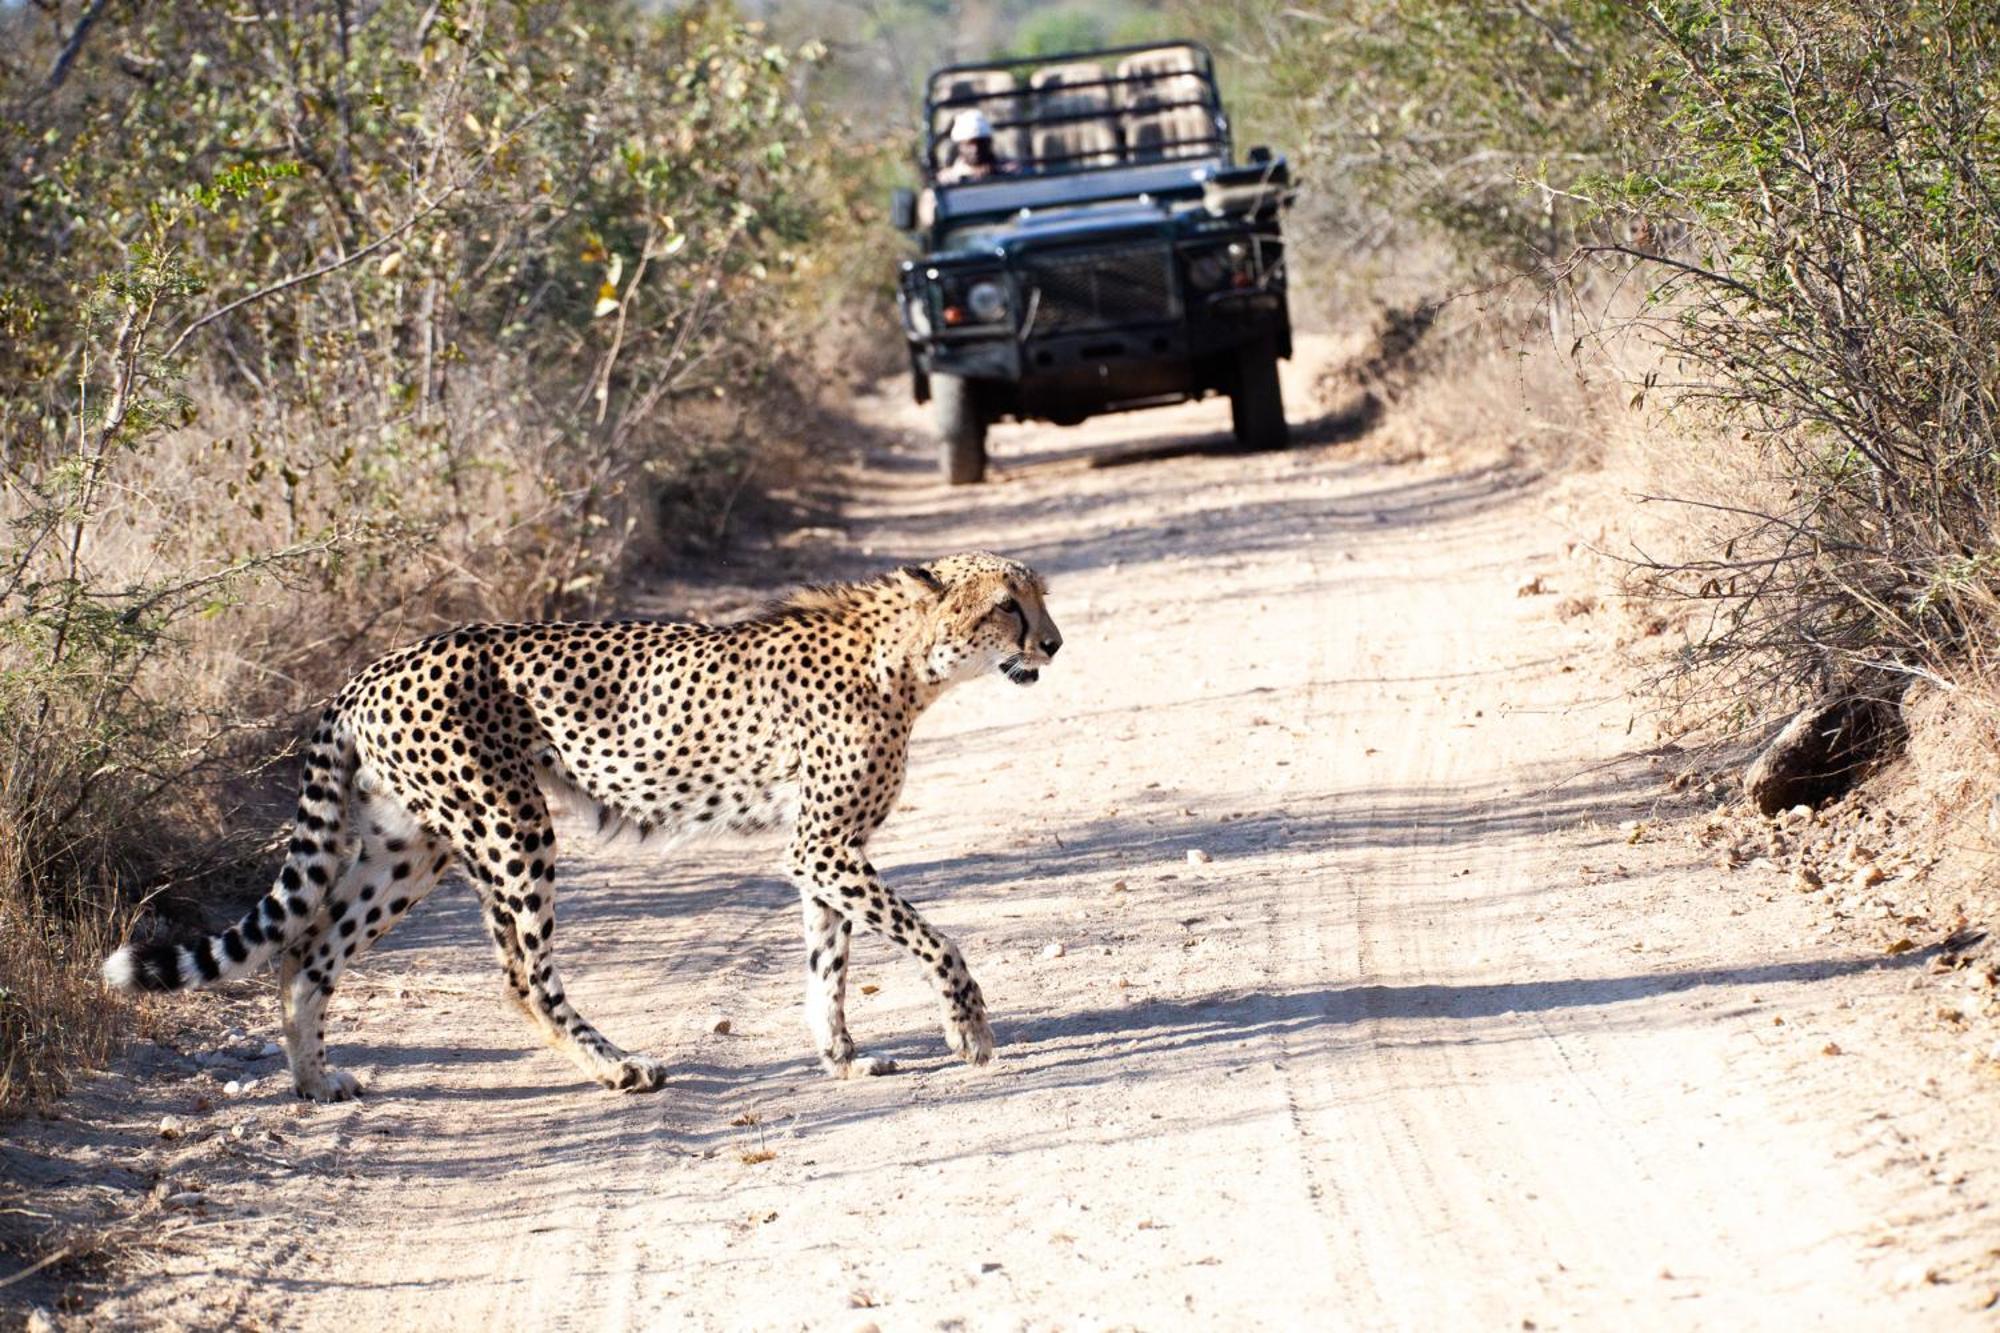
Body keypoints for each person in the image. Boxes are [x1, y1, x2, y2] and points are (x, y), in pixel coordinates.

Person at [937, 109, 1013, 184]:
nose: (975, 149)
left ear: (989, 142)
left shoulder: (1011, 172)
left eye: (980, 143)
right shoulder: (948, 180)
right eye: (969, 144)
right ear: (959, 146)